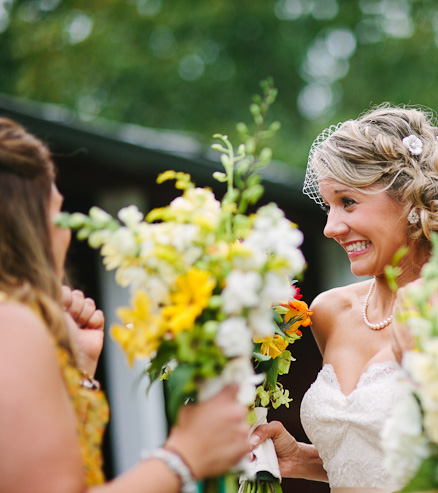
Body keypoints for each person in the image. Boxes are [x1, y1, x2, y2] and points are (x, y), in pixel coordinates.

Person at [249, 105, 438, 492]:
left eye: (348, 202)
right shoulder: (330, 312)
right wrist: (303, 459)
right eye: (328, 205)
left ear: (411, 201)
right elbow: (372, 464)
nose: (331, 228)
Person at [0, 117, 251, 492]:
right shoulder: (13, 323)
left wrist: (76, 368)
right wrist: (184, 455)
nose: (65, 228)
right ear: (25, 224)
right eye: (57, 212)